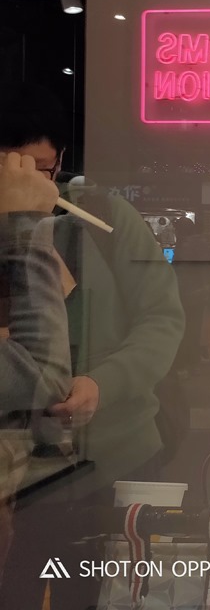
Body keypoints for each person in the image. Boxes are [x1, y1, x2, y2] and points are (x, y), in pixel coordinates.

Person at [0, 83, 185, 609]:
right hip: (18, 485)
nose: (28, 185)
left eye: (41, 170)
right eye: (11, 170)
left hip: (115, 462)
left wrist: (102, 384)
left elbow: (162, 320)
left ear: (59, 163)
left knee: (110, 595)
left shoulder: (103, 220)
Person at [0, 152, 72, 577]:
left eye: (42, 167)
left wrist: (104, 380)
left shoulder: (92, 218)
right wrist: (27, 223)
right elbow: (44, 371)